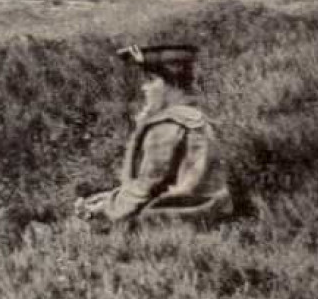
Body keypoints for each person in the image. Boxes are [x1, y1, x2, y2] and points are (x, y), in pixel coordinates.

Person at [74, 44, 232, 228]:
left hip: (185, 217)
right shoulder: (193, 116)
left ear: (170, 86)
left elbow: (146, 187)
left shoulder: (167, 125)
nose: (144, 88)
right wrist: (111, 197)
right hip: (212, 207)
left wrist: (100, 211)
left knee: (96, 224)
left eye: (151, 80)